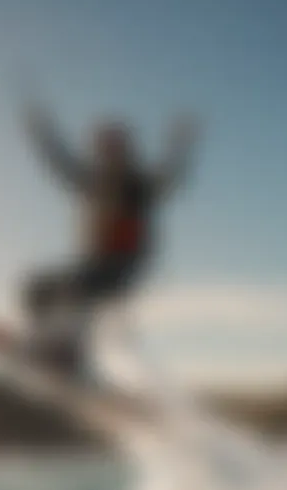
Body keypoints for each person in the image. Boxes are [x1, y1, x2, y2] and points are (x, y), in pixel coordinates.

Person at [20, 92, 200, 377]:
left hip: (125, 264)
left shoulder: (138, 184)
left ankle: (70, 355)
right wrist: (41, 130)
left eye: (113, 150)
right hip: (95, 263)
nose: (107, 156)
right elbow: (59, 161)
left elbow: (169, 178)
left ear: (124, 151)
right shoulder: (92, 180)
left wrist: (182, 144)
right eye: (103, 150)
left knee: (79, 291)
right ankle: (45, 346)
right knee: (37, 288)